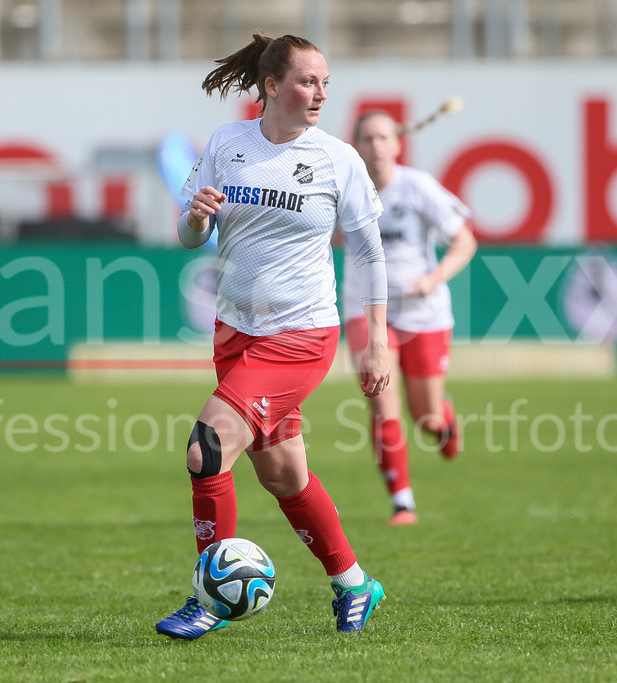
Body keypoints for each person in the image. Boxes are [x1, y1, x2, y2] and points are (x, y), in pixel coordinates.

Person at [154, 32, 392, 640]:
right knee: (283, 476)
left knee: (205, 450)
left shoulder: (339, 159)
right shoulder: (228, 145)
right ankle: (354, 582)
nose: (319, 94)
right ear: (271, 86)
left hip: (301, 335)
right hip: (236, 331)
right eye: (308, 81)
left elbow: (369, 253)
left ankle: (208, 597)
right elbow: (187, 235)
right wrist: (197, 217)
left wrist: (379, 340)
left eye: (325, 83)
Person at [342, 111, 478, 526]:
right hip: (365, 311)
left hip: (423, 312)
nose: (376, 146)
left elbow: (464, 241)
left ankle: (444, 420)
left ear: (397, 144)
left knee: (426, 418)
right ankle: (403, 503)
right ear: (355, 146)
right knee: (383, 405)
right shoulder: (343, 189)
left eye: (383, 137)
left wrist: (433, 278)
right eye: (367, 138)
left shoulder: (418, 187)